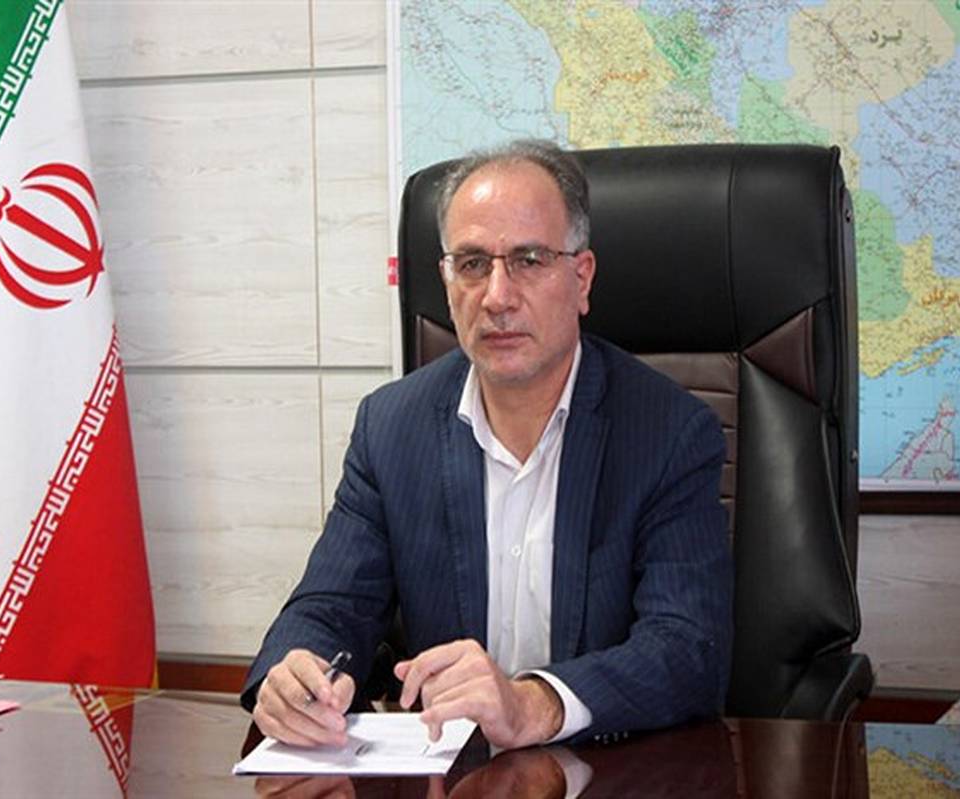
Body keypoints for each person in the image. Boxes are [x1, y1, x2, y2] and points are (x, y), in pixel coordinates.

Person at [241, 140, 732, 750]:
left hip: (609, 770)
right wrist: (297, 674)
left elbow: (687, 650)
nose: (497, 296)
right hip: (450, 770)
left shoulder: (669, 433)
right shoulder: (390, 428)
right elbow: (330, 607)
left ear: (581, 278)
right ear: (446, 283)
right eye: (473, 263)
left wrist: (534, 703)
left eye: (529, 259)